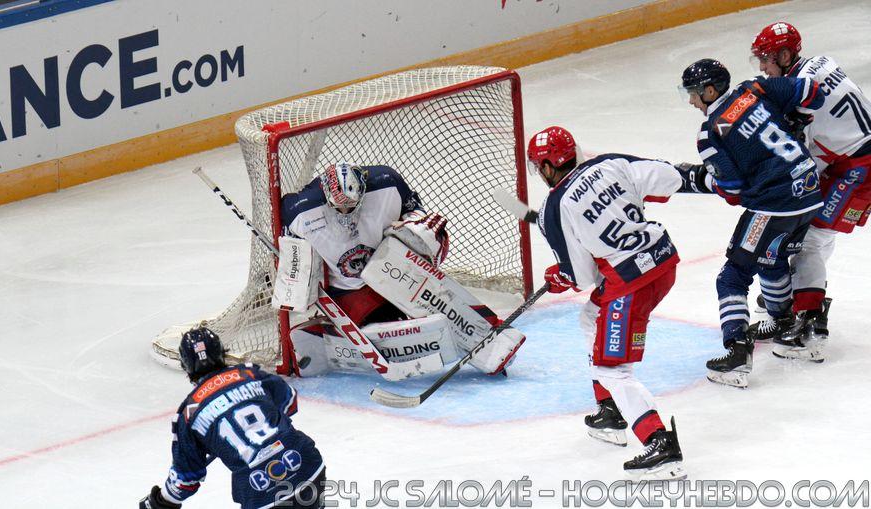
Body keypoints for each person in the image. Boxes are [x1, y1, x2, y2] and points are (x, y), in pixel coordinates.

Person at [525, 126, 686, 480]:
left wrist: (561, 277)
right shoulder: (609, 163)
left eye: (539, 166)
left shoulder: (554, 207)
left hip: (631, 283)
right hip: (663, 259)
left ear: (548, 166)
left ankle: (659, 443)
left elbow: (581, 276)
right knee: (591, 318)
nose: (539, 172)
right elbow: (670, 178)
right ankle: (609, 410)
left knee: (613, 369)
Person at [279, 162, 524, 377]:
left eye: (352, 205)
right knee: (388, 335)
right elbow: (292, 255)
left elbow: (414, 210)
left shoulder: (387, 182)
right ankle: (330, 331)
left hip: (393, 269)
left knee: (433, 293)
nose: (346, 213)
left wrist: (415, 225)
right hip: (348, 291)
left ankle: (491, 339)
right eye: (339, 207)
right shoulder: (299, 210)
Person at [679, 58, 826, 387]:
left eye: (693, 93)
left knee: (732, 277)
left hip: (773, 205)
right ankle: (785, 323)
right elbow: (813, 92)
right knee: (771, 260)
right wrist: (796, 119)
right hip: (809, 192)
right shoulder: (755, 88)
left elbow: (732, 190)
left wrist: (710, 181)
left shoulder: (710, 132)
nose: (691, 101)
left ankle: (737, 352)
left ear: (710, 90)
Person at [747, 22, 871, 361]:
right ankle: (800, 292)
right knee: (817, 233)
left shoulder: (800, 102)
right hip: (852, 161)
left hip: (859, 170)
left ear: (786, 55)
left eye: (767, 58)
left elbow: (805, 161)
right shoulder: (821, 62)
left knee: (812, 239)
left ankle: (810, 323)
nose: (763, 67)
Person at [140, 327, 325, 509]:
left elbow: (185, 480)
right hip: (307, 465)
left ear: (185, 365)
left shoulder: (189, 414)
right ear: (221, 352)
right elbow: (290, 401)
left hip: (261, 492)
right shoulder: (248, 374)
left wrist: (160, 501)